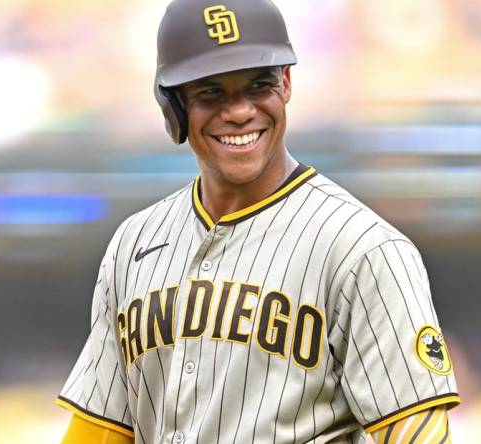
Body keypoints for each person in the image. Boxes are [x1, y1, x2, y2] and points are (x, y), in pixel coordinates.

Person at [57, 0, 459, 442]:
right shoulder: (134, 243)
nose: (240, 111)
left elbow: (416, 432)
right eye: (211, 91)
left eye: (258, 85)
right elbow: (99, 430)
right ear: (173, 104)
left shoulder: (364, 250)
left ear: (285, 84)